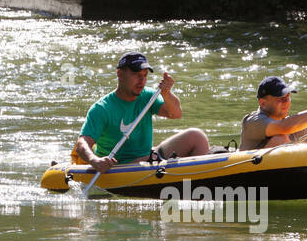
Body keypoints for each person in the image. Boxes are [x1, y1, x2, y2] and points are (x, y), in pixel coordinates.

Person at [74, 52, 211, 175]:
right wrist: (95, 160)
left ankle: (196, 179)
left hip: (148, 157)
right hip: (119, 168)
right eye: (136, 75)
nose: (142, 81)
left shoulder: (148, 96)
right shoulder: (102, 108)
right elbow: (82, 143)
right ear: (120, 74)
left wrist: (166, 93)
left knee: (196, 136)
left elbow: (175, 114)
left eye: (145, 76)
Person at [240, 77, 307, 150]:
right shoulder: (253, 122)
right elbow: (285, 127)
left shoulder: (297, 126)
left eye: (287, 97)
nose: (286, 102)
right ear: (263, 103)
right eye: (280, 98)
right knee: (280, 140)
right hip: (250, 176)